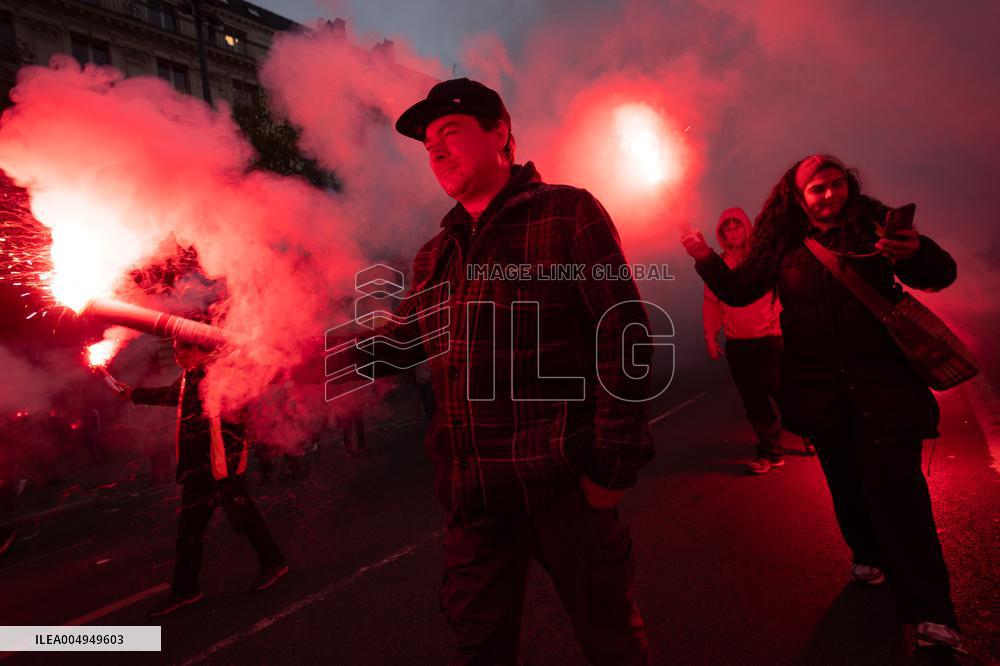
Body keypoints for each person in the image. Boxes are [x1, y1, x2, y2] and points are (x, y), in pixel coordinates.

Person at [330, 78, 655, 663]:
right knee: (479, 648)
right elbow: (403, 346)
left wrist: (611, 469)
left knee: (612, 644)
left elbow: (625, 336)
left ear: (501, 134)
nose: (435, 150)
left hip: (564, 489)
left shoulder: (565, 211)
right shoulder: (437, 252)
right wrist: (308, 356)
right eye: (427, 142)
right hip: (472, 498)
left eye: (449, 132)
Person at [681, 154, 963, 652]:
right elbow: (741, 291)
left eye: (836, 185)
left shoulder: (876, 227)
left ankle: (932, 614)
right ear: (799, 197)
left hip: (885, 388)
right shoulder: (783, 242)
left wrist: (916, 252)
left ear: (848, 186)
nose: (829, 196)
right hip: (820, 392)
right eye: (818, 190)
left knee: (902, 497)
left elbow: (940, 274)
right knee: (846, 483)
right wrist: (703, 254)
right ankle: (868, 554)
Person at [118, 336, 288, 618]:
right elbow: (171, 396)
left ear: (201, 350)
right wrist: (133, 394)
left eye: (182, 349)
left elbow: (239, 418)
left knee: (244, 521)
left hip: (221, 468)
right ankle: (186, 590)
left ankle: (273, 562)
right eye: (173, 350)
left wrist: (229, 464)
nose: (176, 356)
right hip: (196, 468)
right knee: (188, 533)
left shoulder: (226, 373)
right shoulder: (189, 377)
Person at [702, 207, 785, 473]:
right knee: (754, 399)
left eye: (737, 226)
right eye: (727, 228)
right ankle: (770, 452)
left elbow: (783, 290)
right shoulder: (719, 266)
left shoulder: (761, 259)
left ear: (746, 228)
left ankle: (807, 430)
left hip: (771, 338)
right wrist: (710, 337)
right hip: (738, 343)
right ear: (722, 234)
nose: (733, 232)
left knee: (783, 390)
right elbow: (710, 303)